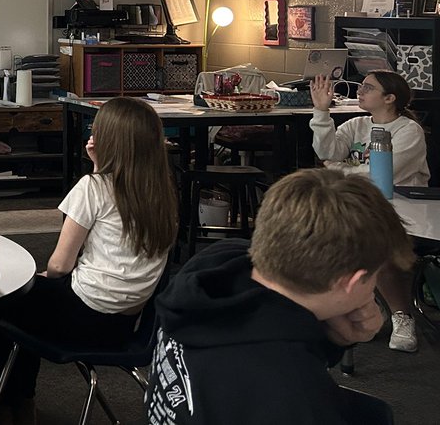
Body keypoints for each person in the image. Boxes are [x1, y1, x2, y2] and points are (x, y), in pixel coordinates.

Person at [145, 168, 414, 424]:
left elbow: (272, 332)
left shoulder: (213, 264)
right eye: (375, 276)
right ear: (351, 281)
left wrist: (332, 338)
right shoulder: (293, 396)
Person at [0, 97, 177, 425]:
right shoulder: (161, 193)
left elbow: (61, 264)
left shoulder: (93, 187)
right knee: (33, 302)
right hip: (122, 326)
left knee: (2, 302)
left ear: (109, 141)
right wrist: (98, 168)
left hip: (81, 317)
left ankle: (8, 403)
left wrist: (94, 175)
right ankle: (21, 401)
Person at [309, 70, 429, 352]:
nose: (360, 91)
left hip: (404, 212)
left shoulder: (408, 132)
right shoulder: (356, 125)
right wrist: (321, 112)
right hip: (360, 207)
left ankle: (402, 315)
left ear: (389, 98)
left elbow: (382, 175)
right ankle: (360, 306)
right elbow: (327, 153)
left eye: (368, 88)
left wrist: (338, 171)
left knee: (379, 246)